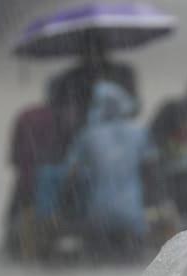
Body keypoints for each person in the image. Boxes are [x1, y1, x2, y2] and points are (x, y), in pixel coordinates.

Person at [62, 81, 152, 256]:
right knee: (131, 260)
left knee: (99, 258)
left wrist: (67, 204)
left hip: (99, 213)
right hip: (132, 212)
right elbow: (150, 168)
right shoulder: (139, 133)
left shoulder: (88, 135)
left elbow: (72, 172)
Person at [4, 77, 66, 255]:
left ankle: (15, 250)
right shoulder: (61, 119)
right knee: (46, 226)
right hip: (48, 184)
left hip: (24, 178)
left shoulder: (26, 114)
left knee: (16, 220)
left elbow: (13, 156)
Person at [51, 36, 140, 153]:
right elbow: (60, 113)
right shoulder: (69, 80)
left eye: (97, 50)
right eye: (89, 50)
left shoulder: (123, 73)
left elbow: (134, 107)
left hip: (118, 139)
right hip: (82, 140)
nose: (93, 56)